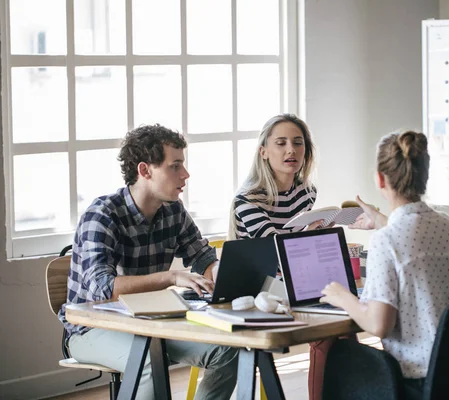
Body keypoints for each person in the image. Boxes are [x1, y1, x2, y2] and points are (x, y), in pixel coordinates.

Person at [57, 124, 238, 400]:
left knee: (227, 351)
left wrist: (224, 275)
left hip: (151, 322)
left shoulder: (172, 209)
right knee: (146, 365)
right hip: (92, 328)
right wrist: (172, 277)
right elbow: (104, 289)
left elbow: (202, 256)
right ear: (145, 170)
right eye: (175, 166)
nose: (185, 174)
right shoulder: (102, 214)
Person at [320, 130, 449, 398]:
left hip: (418, 381)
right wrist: (379, 219)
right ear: (425, 175)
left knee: (341, 355)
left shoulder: (386, 240)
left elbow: (379, 325)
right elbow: (412, 240)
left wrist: (342, 297)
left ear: (379, 179)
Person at [230, 113, 334, 400]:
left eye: (298, 143)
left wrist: (319, 231)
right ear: (264, 151)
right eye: (281, 143)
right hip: (257, 290)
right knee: (329, 329)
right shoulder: (248, 199)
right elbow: (272, 247)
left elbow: (295, 248)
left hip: (291, 282)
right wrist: (310, 235)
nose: (291, 150)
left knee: (341, 328)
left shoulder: (306, 192)